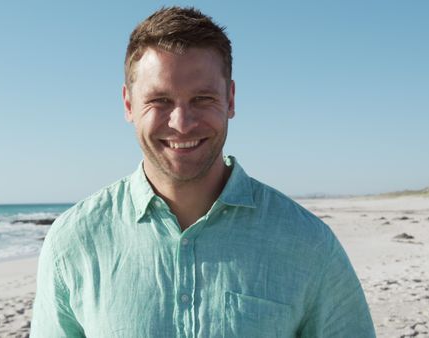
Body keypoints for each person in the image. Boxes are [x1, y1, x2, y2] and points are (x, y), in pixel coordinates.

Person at [31, 6, 375, 338]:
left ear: (231, 99)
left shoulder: (308, 244)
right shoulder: (73, 242)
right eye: (160, 100)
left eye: (202, 99)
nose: (181, 123)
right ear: (128, 105)